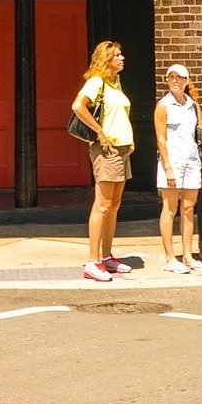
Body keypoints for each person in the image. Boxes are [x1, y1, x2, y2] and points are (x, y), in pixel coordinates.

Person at [72, 40, 133, 283]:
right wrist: (100, 132)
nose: (122, 58)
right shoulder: (97, 82)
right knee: (102, 204)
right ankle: (92, 261)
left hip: (122, 148)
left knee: (115, 204)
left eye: (121, 54)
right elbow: (78, 106)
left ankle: (107, 256)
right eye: (117, 55)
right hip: (106, 150)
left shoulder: (115, 82)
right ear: (105, 59)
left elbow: (119, 116)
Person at [154, 62, 202, 274]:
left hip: (192, 160)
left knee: (189, 209)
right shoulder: (163, 106)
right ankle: (170, 258)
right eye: (171, 78)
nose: (175, 82)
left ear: (186, 81)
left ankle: (188, 256)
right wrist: (168, 167)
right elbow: (161, 139)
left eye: (179, 78)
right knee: (169, 208)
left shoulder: (193, 105)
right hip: (173, 161)